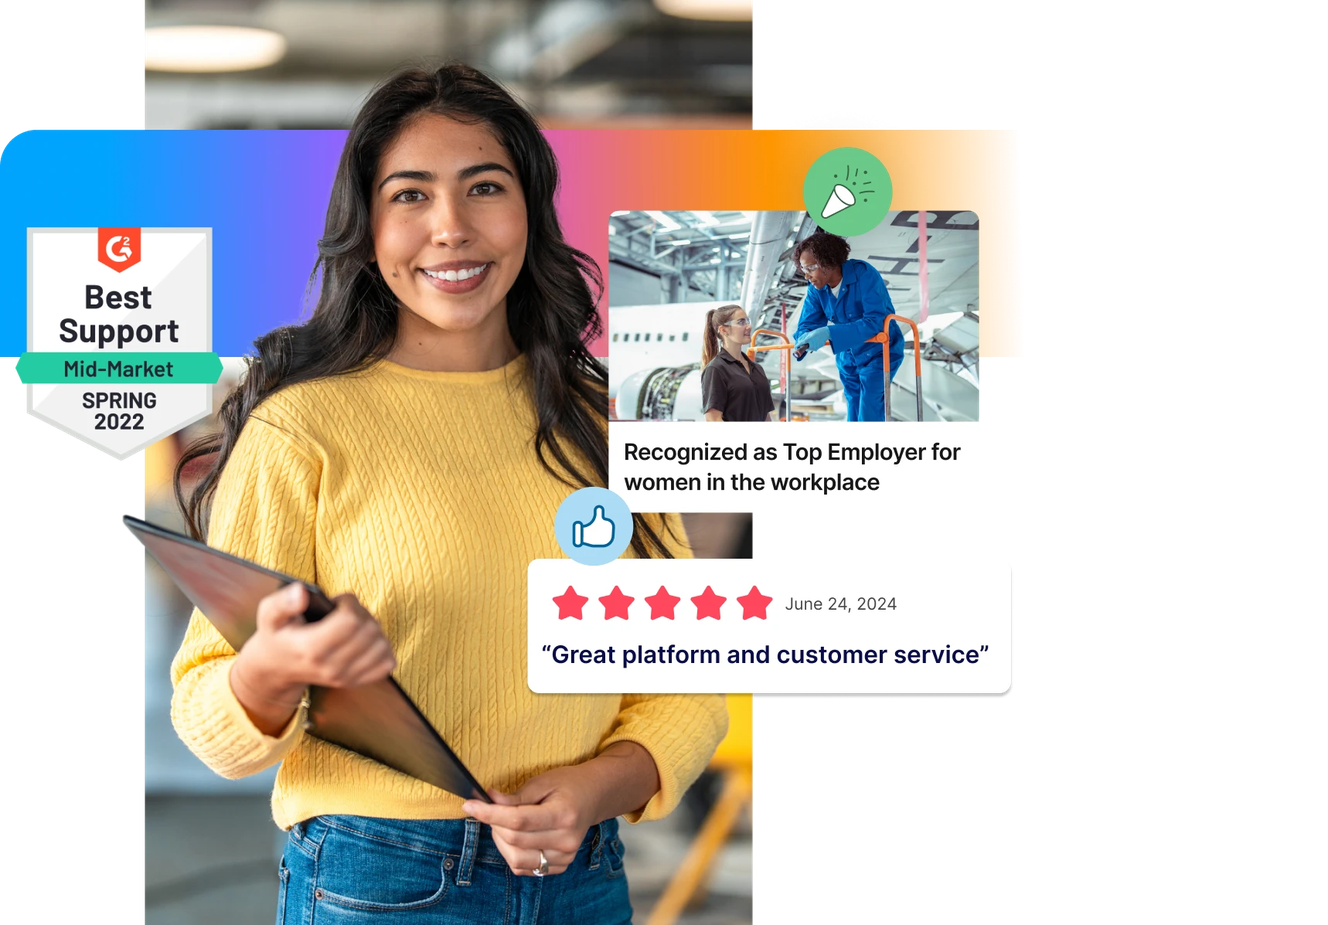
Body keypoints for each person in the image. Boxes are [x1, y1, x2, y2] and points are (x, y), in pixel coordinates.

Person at [168, 64, 727, 925]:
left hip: (584, 873)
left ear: (531, 212)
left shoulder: (605, 422)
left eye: (485, 187)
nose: (451, 228)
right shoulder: (302, 429)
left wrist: (592, 788)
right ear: (369, 226)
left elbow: (688, 681)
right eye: (410, 195)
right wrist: (270, 671)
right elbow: (208, 718)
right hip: (381, 880)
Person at [791, 230, 904, 422]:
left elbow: (876, 321)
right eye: (804, 270)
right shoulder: (815, 290)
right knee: (852, 407)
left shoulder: (864, 274)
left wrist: (828, 332)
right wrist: (803, 339)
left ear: (828, 261)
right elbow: (807, 324)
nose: (807, 276)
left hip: (879, 352)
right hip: (848, 356)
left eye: (810, 268)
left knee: (869, 409)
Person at [699, 304, 776, 422]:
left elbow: (765, 416)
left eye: (747, 321)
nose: (749, 326)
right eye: (741, 322)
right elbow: (713, 420)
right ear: (723, 330)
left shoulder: (757, 369)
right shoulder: (716, 369)